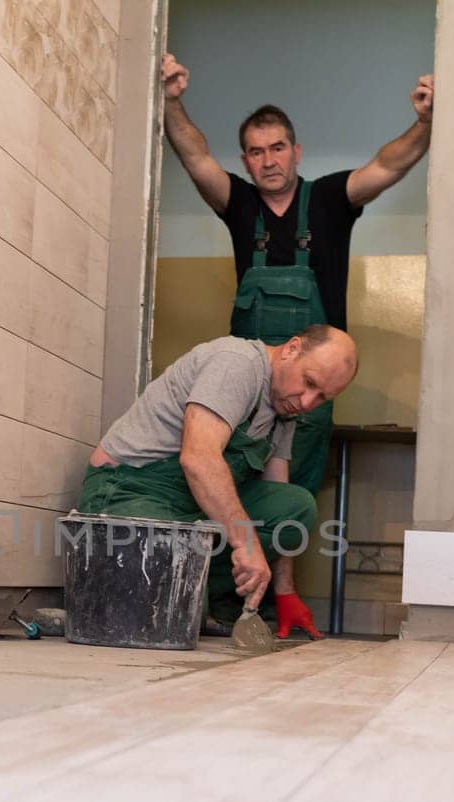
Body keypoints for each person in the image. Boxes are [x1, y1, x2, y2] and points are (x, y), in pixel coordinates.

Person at [159, 55, 434, 495]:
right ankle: (243, 564)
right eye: (256, 151)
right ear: (246, 162)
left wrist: (425, 122)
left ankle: (280, 568)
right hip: (246, 393)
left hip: (310, 398)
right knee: (231, 494)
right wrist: (171, 101)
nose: (268, 161)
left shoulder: (329, 198)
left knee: (293, 503)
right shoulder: (239, 204)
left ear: (296, 152)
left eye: (278, 147)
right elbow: (195, 157)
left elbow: (387, 166)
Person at [77, 325, 359, 640]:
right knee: (170, 617)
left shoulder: (286, 408)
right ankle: (187, 598)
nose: (308, 402)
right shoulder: (236, 364)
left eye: (323, 397)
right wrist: (245, 543)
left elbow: (277, 492)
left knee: (295, 507)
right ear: (292, 348)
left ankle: (196, 593)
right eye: (309, 383)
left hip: (191, 506)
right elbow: (199, 458)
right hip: (129, 490)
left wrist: (285, 592)